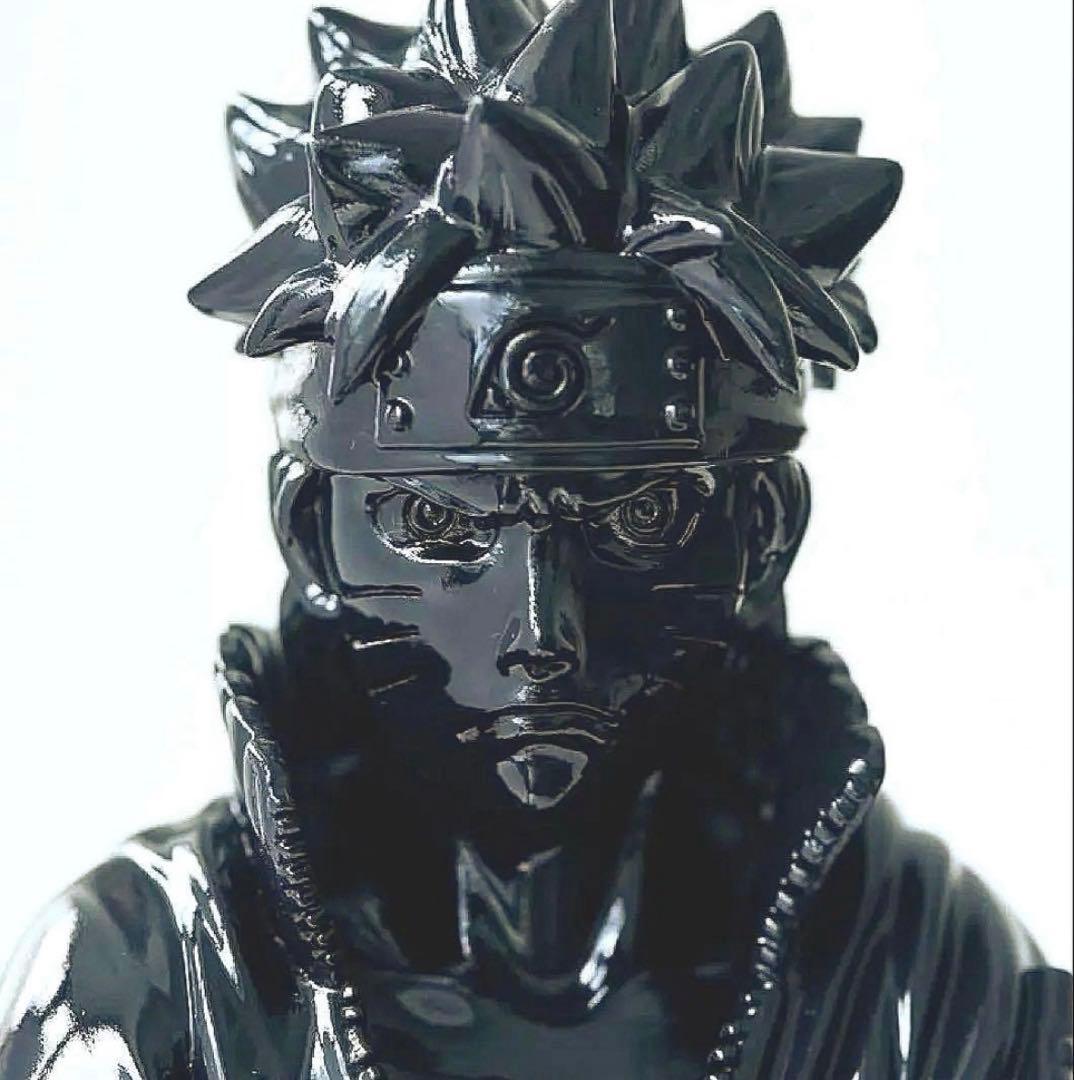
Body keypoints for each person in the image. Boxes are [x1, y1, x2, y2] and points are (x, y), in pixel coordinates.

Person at [2, 2, 1070, 1077]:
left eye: (639, 519)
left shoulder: (930, 978)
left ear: (765, 532)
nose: (540, 632)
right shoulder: (153, 981)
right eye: (439, 523)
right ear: (310, 535)